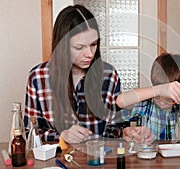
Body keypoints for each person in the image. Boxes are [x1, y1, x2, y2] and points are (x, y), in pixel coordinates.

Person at [24, 5, 123, 146]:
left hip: (97, 161)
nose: (89, 54)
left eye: (94, 44)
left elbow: (114, 128)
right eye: (79, 47)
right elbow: (30, 133)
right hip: (55, 163)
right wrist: (61, 136)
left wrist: (126, 132)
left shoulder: (108, 75)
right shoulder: (38, 78)